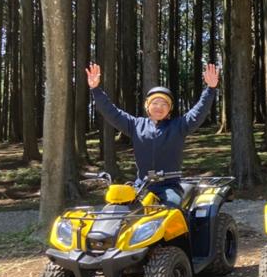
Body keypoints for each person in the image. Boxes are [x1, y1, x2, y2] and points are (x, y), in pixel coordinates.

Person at [86, 62, 219, 206]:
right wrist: (95, 89)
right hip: (141, 186)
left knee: (171, 210)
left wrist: (210, 89)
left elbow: (198, 112)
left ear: (169, 109)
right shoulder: (135, 125)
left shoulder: (179, 126)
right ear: (147, 106)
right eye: (155, 103)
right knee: (119, 209)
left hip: (169, 187)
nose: (159, 107)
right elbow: (112, 113)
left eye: (164, 104)